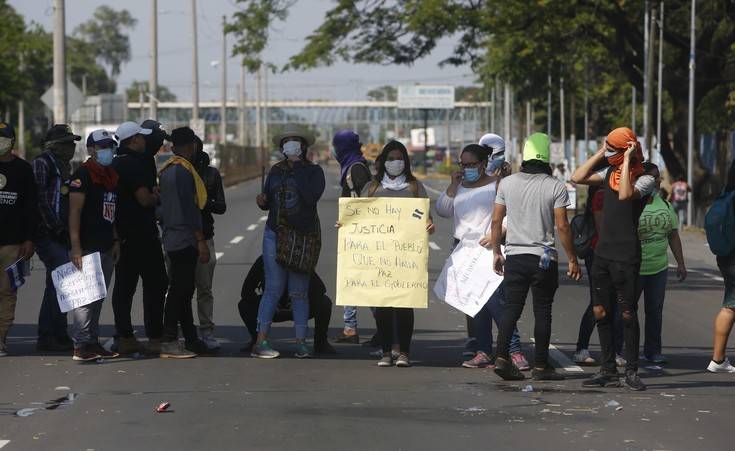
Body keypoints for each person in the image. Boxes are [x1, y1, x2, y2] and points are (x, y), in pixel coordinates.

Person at [490, 132, 581, 381]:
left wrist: (497, 251)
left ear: (524, 157)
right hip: (544, 259)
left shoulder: (507, 184)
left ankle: (501, 359)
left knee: (511, 310)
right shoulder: (555, 186)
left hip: (515, 257)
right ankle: (541, 366)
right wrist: (572, 258)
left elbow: (496, 219)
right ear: (547, 159)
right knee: (543, 311)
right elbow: (562, 226)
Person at [572, 127, 656, 391]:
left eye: (612, 148)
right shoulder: (609, 172)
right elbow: (578, 176)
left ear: (627, 149)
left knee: (628, 313)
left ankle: (630, 371)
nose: (608, 152)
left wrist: (629, 159)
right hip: (602, 254)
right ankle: (607, 369)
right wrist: (600, 152)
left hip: (626, 255)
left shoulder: (646, 176)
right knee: (600, 311)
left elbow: (624, 194)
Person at [436, 143, 528, 370]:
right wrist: (453, 184)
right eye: (463, 164)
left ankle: (513, 350)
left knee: (496, 302)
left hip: (488, 249)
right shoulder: (459, 186)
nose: (467, 168)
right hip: (462, 250)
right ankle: (483, 351)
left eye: (472, 164)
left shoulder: (496, 185)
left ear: (483, 164)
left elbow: (510, 214)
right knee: (474, 302)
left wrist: (496, 234)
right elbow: (443, 210)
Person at [253, 124, 325, 359]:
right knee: (273, 289)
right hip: (276, 234)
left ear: (304, 147)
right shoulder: (275, 171)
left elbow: (311, 197)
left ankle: (301, 343)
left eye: (295, 141)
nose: (290, 145)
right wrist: (262, 201)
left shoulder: (314, 172)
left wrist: (296, 167)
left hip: (304, 238)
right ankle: (261, 341)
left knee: (299, 292)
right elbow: (269, 203)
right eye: (287, 142)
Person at [363, 140, 434, 368]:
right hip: (380, 255)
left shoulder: (415, 187)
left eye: (400, 158)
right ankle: (385, 351)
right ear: (383, 161)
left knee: (404, 304)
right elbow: (358, 217)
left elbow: (425, 216)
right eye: (391, 158)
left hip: (406, 256)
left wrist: (429, 224)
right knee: (383, 304)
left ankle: (404, 352)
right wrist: (346, 225)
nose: (395, 163)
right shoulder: (372, 188)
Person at [111, 121, 168, 355]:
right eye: (142, 138)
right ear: (134, 140)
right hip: (141, 234)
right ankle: (154, 336)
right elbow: (144, 199)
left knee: (124, 287)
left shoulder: (115, 163)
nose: (146, 141)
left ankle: (124, 336)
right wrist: (158, 196)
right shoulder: (136, 163)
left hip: (121, 234)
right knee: (156, 283)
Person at [67, 130, 121, 361]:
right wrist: (76, 247)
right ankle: (80, 346)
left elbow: (112, 212)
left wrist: (116, 239)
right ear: (90, 150)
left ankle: (92, 341)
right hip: (87, 245)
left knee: (98, 297)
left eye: (110, 146)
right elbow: (74, 212)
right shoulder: (83, 175)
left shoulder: (111, 176)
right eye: (102, 146)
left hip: (106, 243)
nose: (106, 150)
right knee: (85, 299)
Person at [157, 127, 211, 358]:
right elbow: (189, 210)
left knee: (184, 288)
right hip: (184, 238)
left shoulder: (169, 170)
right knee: (180, 290)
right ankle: (169, 339)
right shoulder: (182, 171)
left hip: (173, 236)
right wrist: (201, 240)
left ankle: (190, 338)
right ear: (192, 146)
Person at [33, 124, 80, 352]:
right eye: (68, 143)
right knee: (59, 280)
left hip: (62, 233)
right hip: (47, 233)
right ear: (56, 145)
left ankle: (59, 333)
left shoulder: (65, 166)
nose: (72, 147)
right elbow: (39, 199)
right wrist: (55, 226)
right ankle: (47, 335)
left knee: (61, 282)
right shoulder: (42, 163)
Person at [636, 163, 687, 364]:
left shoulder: (665, 205)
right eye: (653, 177)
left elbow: (673, 236)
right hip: (635, 268)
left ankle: (652, 350)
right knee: (627, 311)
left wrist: (681, 264)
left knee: (655, 311)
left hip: (659, 268)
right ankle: (620, 351)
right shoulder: (632, 204)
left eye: (658, 177)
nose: (658, 180)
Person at [238, 256, 336, 355]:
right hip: (272, 310)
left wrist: (303, 297)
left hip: (298, 309)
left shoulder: (299, 259)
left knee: (324, 302)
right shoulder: (264, 261)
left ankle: (320, 342)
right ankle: (257, 340)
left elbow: (321, 290)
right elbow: (246, 292)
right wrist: (266, 302)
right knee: (244, 305)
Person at [330, 130, 373, 345]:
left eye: (337, 146)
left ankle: (354, 328)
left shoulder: (356, 168)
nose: (334, 151)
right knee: (353, 280)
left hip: (361, 234)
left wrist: (353, 221)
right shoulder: (353, 165)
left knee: (363, 280)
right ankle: (350, 327)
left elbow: (367, 202)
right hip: (354, 232)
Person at [0, 122, 36, 356]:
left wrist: (29, 239)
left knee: (6, 292)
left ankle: (0, 338)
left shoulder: (23, 170)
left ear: (11, 141)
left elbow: (31, 207)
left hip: (12, 242)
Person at [192, 136, 227, 350]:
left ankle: (206, 331)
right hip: (179, 238)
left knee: (204, 289)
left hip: (205, 236)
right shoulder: (177, 170)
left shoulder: (211, 173)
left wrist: (204, 203)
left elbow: (221, 206)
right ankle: (178, 331)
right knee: (178, 289)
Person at [707, 160, 735, 373]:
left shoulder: (727, 194)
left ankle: (718, 359)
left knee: (731, 304)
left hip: (726, 256)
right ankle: (717, 360)